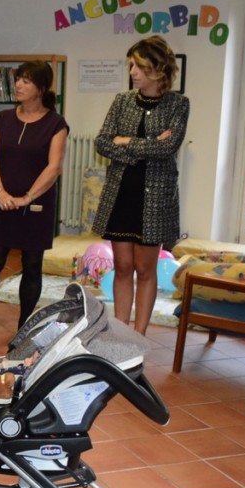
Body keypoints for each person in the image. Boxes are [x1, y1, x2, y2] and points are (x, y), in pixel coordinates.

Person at [0, 61, 69, 343]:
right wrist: (0, 193)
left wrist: (27, 198)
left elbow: (53, 167)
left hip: (37, 206)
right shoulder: (3, 119)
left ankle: (22, 329)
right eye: (18, 79)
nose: (18, 84)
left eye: (26, 81)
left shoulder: (56, 124)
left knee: (32, 265)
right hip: (3, 203)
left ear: (41, 88)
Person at [93, 36, 188, 336]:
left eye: (139, 66)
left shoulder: (178, 104)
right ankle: (121, 333)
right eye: (132, 65)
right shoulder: (122, 100)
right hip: (121, 195)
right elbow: (102, 142)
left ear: (158, 70)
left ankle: (138, 337)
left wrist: (125, 142)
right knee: (122, 267)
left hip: (155, 200)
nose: (133, 72)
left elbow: (167, 147)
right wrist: (146, 145)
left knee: (146, 270)